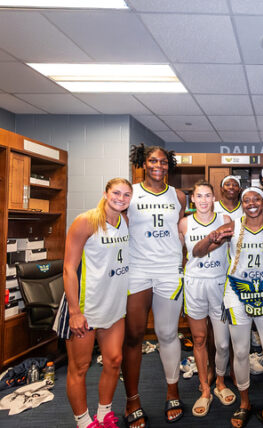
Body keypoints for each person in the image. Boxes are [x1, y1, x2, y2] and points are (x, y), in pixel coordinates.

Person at [198, 187, 263, 428]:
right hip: (238, 294)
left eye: (256, 199)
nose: (251, 203)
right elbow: (198, 252)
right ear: (242, 203)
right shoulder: (232, 226)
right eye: (246, 200)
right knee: (240, 352)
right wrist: (211, 238)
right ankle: (245, 403)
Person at [55, 178, 132, 428]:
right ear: (105, 193)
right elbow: (68, 268)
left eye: (126, 195)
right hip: (85, 307)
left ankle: (104, 414)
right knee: (80, 367)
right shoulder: (86, 221)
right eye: (116, 193)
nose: (121, 198)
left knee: (113, 360)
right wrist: (75, 311)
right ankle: (84, 421)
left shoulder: (125, 222)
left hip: (113, 306)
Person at [124, 144, 187, 427]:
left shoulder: (179, 196)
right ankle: (132, 399)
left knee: (167, 333)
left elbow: (183, 232)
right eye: (152, 161)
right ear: (143, 163)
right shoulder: (131, 193)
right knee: (135, 335)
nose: (158, 165)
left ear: (168, 165)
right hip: (137, 270)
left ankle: (172, 391)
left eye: (163, 161)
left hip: (169, 271)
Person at [179, 180, 236, 417]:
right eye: (199, 196)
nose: (203, 200)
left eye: (207, 196)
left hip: (219, 284)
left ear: (214, 198)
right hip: (194, 284)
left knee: (222, 343)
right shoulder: (184, 223)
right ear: (193, 199)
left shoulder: (225, 221)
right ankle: (205, 389)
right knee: (200, 339)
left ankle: (220, 380)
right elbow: (180, 254)